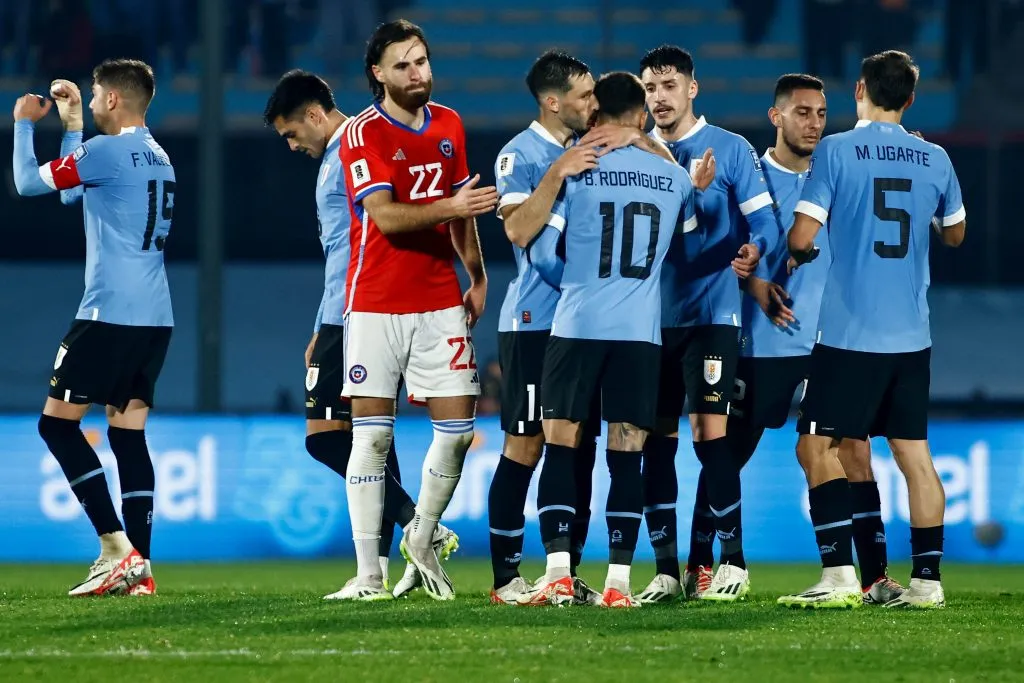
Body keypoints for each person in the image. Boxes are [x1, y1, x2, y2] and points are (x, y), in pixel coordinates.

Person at [778, 50, 965, 609]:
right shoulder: (935, 158)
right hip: (912, 337)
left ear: (859, 89)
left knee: (815, 447)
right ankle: (926, 583)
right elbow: (954, 236)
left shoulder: (835, 150)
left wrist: (804, 248)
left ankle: (838, 577)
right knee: (914, 456)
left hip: (848, 335)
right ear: (910, 98)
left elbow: (801, 238)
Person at [519, 71, 713, 608]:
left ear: (598, 110)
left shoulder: (578, 167)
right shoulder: (671, 177)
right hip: (639, 334)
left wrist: (581, 282)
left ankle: (558, 574)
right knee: (628, 455)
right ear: (643, 114)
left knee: (560, 448)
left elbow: (539, 250)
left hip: (577, 326)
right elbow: (689, 251)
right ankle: (618, 586)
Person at [709, 73, 904, 604]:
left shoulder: (838, 171)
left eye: (820, 113)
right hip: (762, 345)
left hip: (833, 344)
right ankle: (712, 565)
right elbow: (720, 254)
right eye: (802, 113)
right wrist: (754, 285)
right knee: (725, 457)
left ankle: (874, 576)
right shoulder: (747, 177)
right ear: (776, 117)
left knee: (853, 453)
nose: (814, 123)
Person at [262, 69, 457, 600]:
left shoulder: (350, 151)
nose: (292, 145)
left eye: (291, 133)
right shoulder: (346, 152)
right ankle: (379, 568)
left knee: (325, 440)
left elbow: (367, 243)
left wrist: (334, 321)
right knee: (373, 440)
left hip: (356, 314)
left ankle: (420, 527)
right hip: (348, 312)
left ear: (314, 114)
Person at [338, 19, 497, 601]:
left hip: (438, 302)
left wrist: (475, 274)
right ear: (378, 74)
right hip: (376, 303)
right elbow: (384, 217)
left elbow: (462, 211)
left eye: (423, 61)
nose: (418, 72)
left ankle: (421, 538)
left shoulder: (450, 123)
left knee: (457, 434)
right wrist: (451, 204)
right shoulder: (363, 133)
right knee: (372, 441)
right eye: (403, 64)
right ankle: (367, 575)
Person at [12, 59, 173, 596]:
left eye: (96, 94)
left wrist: (24, 124)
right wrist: (74, 121)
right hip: (155, 316)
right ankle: (140, 567)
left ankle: (114, 545)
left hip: (108, 314)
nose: (94, 99)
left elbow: (28, 184)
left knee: (56, 425)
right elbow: (73, 193)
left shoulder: (107, 152)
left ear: (114, 100)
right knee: (127, 434)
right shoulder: (158, 155)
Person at [636, 45, 779, 603]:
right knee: (656, 443)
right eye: (650, 88)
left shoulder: (733, 150)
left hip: (714, 316)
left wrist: (753, 249)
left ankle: (733, 563)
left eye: (669, 85)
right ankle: (668, 571)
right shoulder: (638, 154)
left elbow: (766, 220)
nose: (659, 97)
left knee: (710, 437)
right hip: (648, 320)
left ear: (692, 89)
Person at [488, 49, 603, 605]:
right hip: (534, 321)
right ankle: (506, 578)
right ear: (553, 102)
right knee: (525, 443)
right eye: (583, 95)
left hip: (588, 325)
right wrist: (558, 171)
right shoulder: (521, 155)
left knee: (578, 447)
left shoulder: (593, 151)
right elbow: (518, 231)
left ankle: (564, 571)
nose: (592, 103)